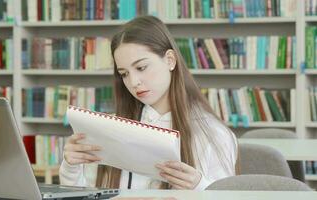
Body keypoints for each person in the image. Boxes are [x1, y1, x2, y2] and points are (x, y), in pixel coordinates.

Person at [59, 15, 238, 190]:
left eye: (141, 68)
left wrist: (200, 187)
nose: (133, 82)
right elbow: (86, 193)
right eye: (124, 74)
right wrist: (71, 166)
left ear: (170, 60)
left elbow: (226, 194)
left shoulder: (212, 133)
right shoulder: (112, 128)